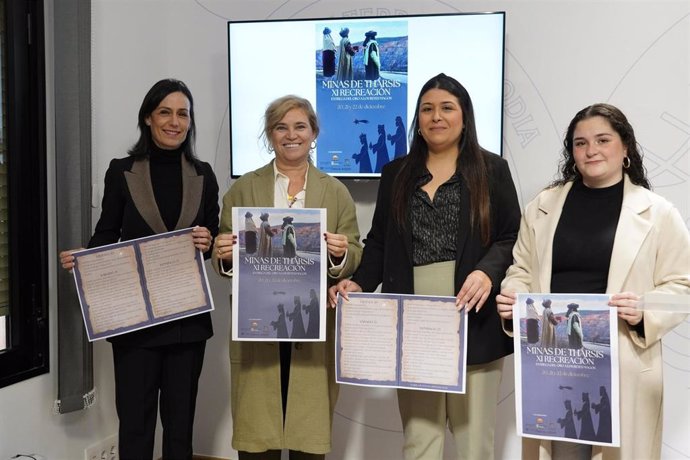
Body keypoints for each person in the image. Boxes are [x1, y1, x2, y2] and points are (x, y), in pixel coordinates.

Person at [329, 73, 521, 460]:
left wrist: (487, 272)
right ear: (418, 118)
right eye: (427, 109)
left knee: (474, 443)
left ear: (464, 116)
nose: (436, 116)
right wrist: (359, 284)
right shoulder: (396, 173)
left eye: (447, 108)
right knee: (420, 438)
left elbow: (512, 236)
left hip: (473, 316)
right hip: (411, 321)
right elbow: (380, 241)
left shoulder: (492, 169)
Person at [497, 103, 690, 460]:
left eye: (603, 140)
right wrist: (514, 296)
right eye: (580, 143)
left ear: (625, 147)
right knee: (561, 453)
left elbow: (683, 288)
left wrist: (644, 308)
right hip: (553, 358)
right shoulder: (543, 205)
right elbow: (521, 269)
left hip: (621, 357)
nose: (591, 151)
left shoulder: (658, 213)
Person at [59, 78, 219, 460]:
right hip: (135, 324)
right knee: (135, 425)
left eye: (183, 113)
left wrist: (208, 242)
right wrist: (86, 259)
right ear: (148, 117)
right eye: (165, 112)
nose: (174, 121)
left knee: (180, 427)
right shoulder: (122, 171)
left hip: (186, 322)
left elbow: (210, 236)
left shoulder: (205, 174)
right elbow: (106, 234)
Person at [212, 95, 363, 459]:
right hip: (257, 323)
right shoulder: (244, 189)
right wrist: (225, 255)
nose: (291, 135)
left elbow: (355, 251)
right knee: (257, 437)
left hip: (311, 324)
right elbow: (225, 256)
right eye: (281, 127)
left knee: (307, 436)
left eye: (300, 126)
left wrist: (341, 253)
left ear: (314, 133)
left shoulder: (336, 191)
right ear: (270, 134)